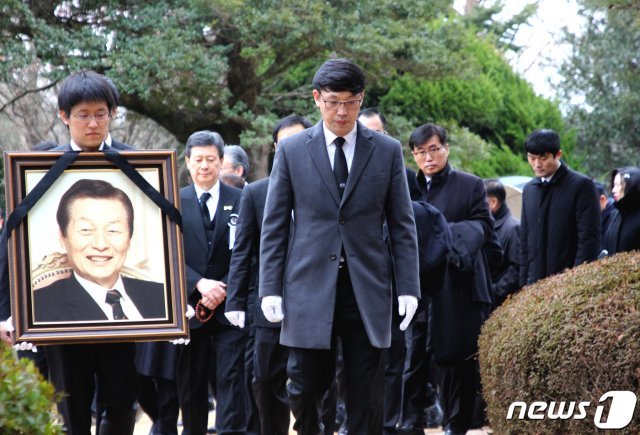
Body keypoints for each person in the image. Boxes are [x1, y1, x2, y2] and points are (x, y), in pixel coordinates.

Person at [259, 58, 420, 434]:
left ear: (361, 100)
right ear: (317, 99)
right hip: (308, 286)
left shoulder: (386, 150)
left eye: (350, 102)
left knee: (367, 391)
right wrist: (270, 287)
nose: (342, 111)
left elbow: (402, 224)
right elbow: (275, 224)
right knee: (304, 385)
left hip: (367, 288)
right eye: (333, 101)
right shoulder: (293, 150)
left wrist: (409, 287)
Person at [0, 70, 140, 434]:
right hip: (60, 316)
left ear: (112, 113)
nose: (93, 123)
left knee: (122, 404)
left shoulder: (139, 164)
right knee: (71, 407)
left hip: (121, 318)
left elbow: (163, 232)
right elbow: (13, 238)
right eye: (82, 114)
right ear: (64, 116)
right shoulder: (37, 168)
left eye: (100, 113)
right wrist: (6, 311)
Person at [225, 114, 312, 435]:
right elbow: (242, 252)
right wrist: (235, 301)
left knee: (312, 383)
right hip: (268, 303)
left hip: (314, 303)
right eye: (284, 142)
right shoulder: (257, 193)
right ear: (276, 147)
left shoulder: (325, 192)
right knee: (262, 378)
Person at [409, 123, 494, 435]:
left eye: (434, 150)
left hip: (457, 285)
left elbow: (484, 226)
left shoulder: (469, 184)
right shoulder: (409, 188)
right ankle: (411, 421)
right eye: (420, 152)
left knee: (456, 359)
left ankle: (455, 424)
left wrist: (447, 237)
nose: (428, 158)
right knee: (415, 356)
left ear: (446, 149)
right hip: (418, 287)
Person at [175, 130, 245, 435]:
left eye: (211, 159)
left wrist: (224, 287)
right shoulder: (173, 200)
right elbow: (165, 253)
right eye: (198, 159)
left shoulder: (242, 199)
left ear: (221, 162)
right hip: (190, 311)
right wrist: (199, 283)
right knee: (191, 385)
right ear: (188, 162)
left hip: (231, 309)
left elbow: (249, 251)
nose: (205, 165)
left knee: (231, 383)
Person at [33, 179, 166, 322]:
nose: (101, 244)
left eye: (113, 230)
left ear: (129, 238)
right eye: (86, 230)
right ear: (63, 237)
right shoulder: (37, 308)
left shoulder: (163, 297)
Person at [520, 129, 601, 286]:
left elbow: (588, 239)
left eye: (543, 158)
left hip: (567, 285)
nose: (537, 164)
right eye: (531, 158)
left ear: (558, 154)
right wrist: (523, 285)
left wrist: (576, 283)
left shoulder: (581, 185)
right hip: (533, 287)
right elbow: (524, 242)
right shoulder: (529, 190)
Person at [358, 108, 420, 200]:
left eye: (376, 134)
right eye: (364, 134)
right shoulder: (345, 176)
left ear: (386, 135)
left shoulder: (406, 177)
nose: (370, 140)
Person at [484, 179, 520, 307]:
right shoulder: (486, 226)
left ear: (493, 202)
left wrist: (494, 291)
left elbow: (516, 268)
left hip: (500, 302)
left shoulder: (513, 228)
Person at [603, 167, 640, 254]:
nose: (613, 190)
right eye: (613, 185)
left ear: (632, 186)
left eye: (618, 185)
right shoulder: (615, 214)